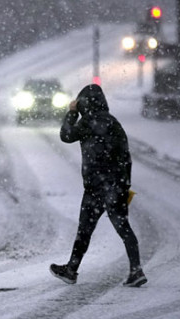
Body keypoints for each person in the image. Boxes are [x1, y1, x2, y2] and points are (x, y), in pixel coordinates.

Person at [49, 84, 146, 287]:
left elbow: (66, 136)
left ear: (84, 103)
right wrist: (124, 185)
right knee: (124, 227)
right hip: (116, 186)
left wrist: (71, 113)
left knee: (84, 230)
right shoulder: (114, 123)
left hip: (95, 188)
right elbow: (126, 157)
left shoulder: (87, 123)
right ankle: (136, 270)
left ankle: (71, 270)